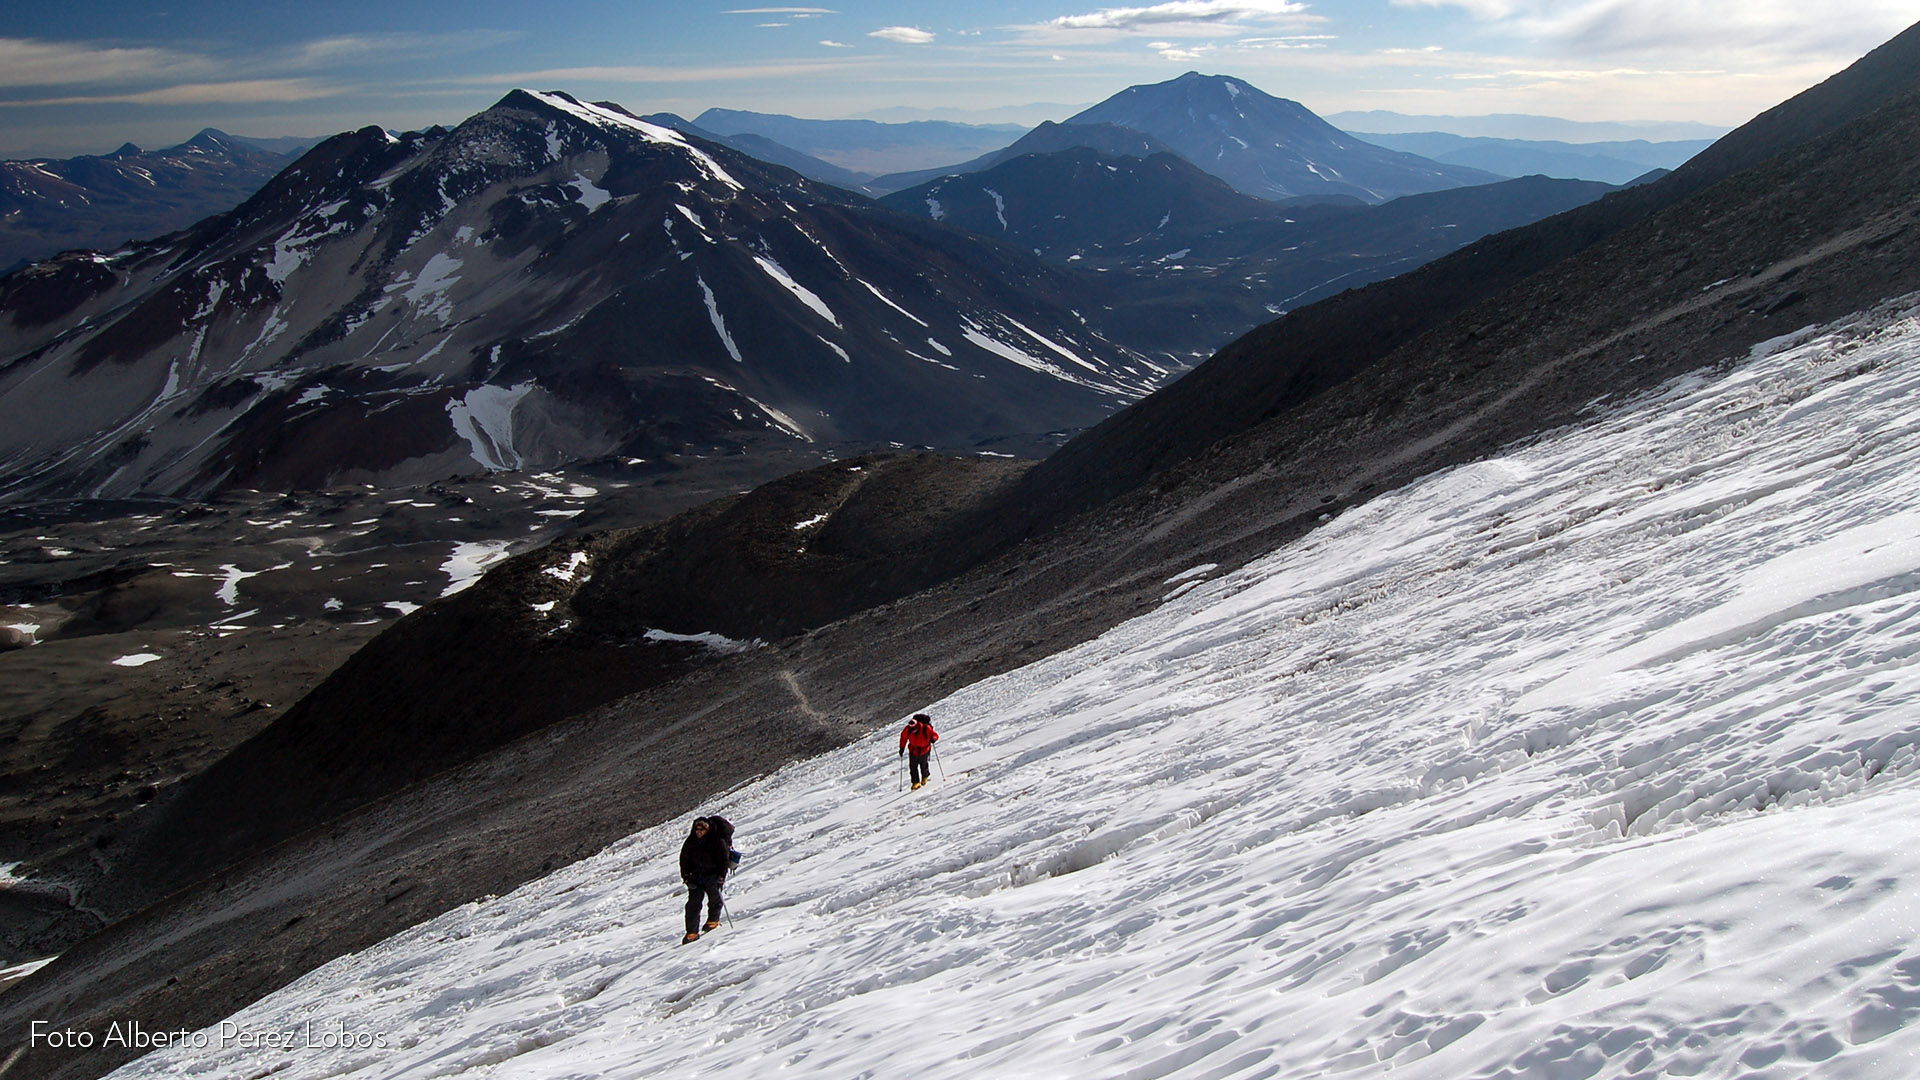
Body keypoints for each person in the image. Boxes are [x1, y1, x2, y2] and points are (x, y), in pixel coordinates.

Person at [679, 815, 735, 943]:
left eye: (701, 830)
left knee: (715, 898)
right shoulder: (690, 841)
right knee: (693, 905)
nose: (699, 833)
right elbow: (684, 860)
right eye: (697, 830)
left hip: (713, 876)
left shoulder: (717, 841)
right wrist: (686, 877)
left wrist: (721, 877)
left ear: (707, 830)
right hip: (695, 877)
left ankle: (713, 921)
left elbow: (723, 861)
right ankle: (692, 932)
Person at [898, 713, 939, 790]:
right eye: (912, 730)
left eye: (914, 730)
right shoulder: (908, 729)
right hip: (913, 750)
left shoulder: (925, 728)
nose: (913, 731)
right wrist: (901, 748)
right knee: (913, 767)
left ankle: (925, 775)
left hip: (924, 749)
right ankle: (915, 782)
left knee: (923, 765)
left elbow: (935, 735)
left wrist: (933, 738)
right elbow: (903, 738)